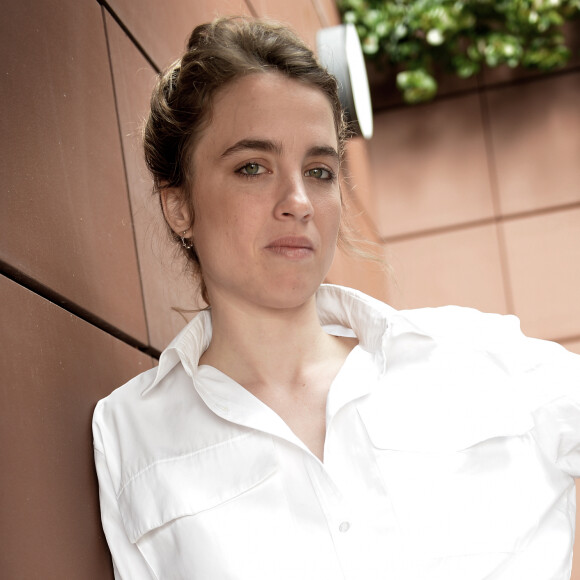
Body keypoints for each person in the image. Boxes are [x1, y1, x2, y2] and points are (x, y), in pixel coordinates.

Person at [92, 16, 580, 580]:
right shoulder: (131, 433)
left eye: (320, 171)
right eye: (253, 167)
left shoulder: (480, 357)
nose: (298, 200)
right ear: (179, 206)